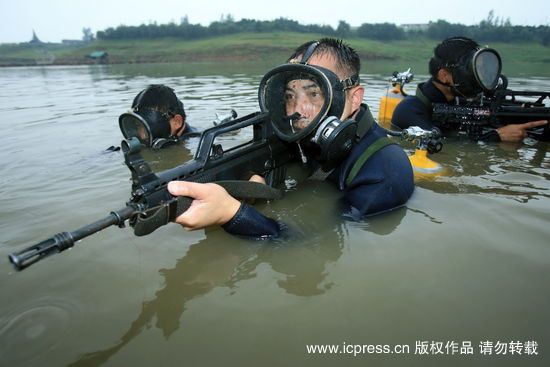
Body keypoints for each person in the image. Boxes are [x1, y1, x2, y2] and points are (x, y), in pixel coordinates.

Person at [167, 38, 414, 238]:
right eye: (289, 97)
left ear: (354, 98)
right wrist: (251, 192)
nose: (297, 111)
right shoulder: (295, 141)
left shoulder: (385, 169)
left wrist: (232, 214)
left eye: (314, 93)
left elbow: (314, 240)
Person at [391, 36, 547, 142]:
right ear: (444, 75)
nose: (476, 78)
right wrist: (497, 137)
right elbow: (439, 146)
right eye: (472, 72)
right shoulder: (409, 110)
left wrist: (515, 115)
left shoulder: (462, 101)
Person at [118, 84, 198, 149]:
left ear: (176, 122)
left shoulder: (196, 143)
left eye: (149, 125)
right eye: (137, 125)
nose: (141, 136)